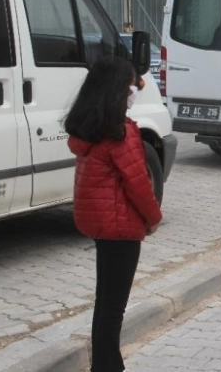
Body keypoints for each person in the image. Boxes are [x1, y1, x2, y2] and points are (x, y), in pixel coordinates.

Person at [64, 57, 162, 371]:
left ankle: (107, 364)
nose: (135, 90)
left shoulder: (91, 129)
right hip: (121, 225)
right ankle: (107, 366)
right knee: (113, 307)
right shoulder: (121, 132)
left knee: (105, 302)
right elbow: (138, 184)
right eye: (134, 84)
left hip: (101, 224)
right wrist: (153, 219)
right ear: (118, 90)